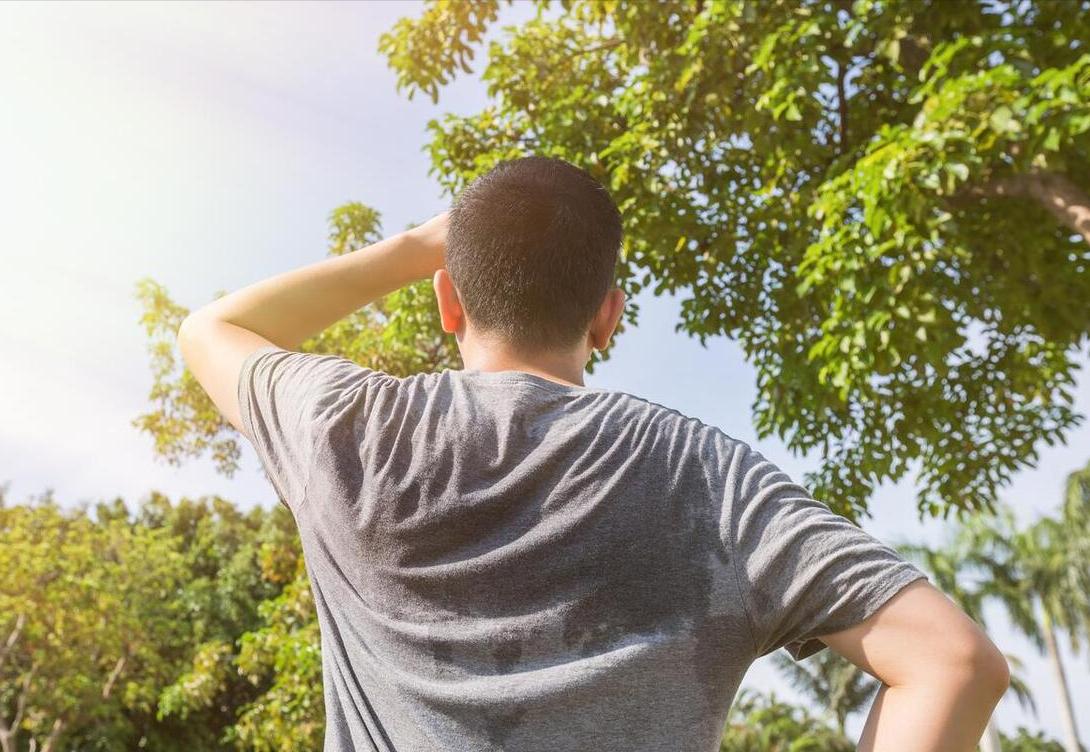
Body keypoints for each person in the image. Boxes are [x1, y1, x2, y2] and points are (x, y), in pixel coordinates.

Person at [178, 156, 1010, 752]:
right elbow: (954, 663)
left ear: (447, 302)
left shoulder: (348, 427)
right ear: (608, 315)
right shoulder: (708, 478)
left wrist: (426, 244)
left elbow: (209, 329)